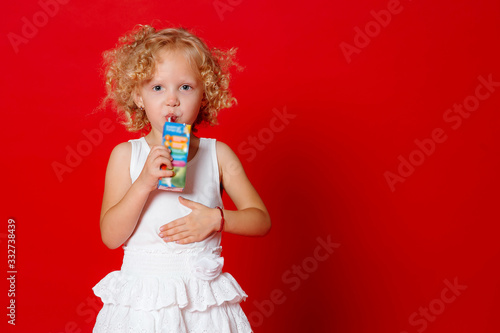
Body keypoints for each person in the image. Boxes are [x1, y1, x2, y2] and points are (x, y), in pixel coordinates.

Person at [92, 24, 271, 332]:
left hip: (203, 303)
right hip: (144, 304)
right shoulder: (126, 155)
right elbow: (111, 236)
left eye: (185, 87)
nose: (172, 100)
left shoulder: (219, 155)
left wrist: (217, 220)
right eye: (157, 88)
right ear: (138, 96)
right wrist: (145, 182)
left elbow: (261, 220)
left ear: (204, 96)